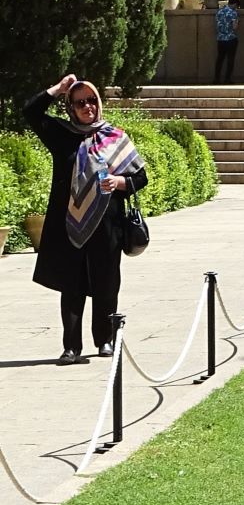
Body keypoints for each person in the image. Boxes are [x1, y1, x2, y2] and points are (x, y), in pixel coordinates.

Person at [25, 76, 149, 363]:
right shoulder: (61, 134)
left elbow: (140, 177)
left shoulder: (115, 137)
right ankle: (71, 347)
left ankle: (105, 339)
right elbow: (30, 111)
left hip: (108, 223)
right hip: (68, 222)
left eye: (92, 100)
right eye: (80, 102)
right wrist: (56, 89)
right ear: (70, 106)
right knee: (72, 284)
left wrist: (120, 182)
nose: (87, 107)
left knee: (107, 281)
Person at [214, 0, 241, 84]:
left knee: (220, 59)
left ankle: (216, 79)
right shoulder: (233, 13)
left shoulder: (219, 11)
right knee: (230, 59)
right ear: (235, 4)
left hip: (220, 38)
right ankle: (227, 79)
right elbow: (235, 27)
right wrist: (237, 20)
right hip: (230, 38)